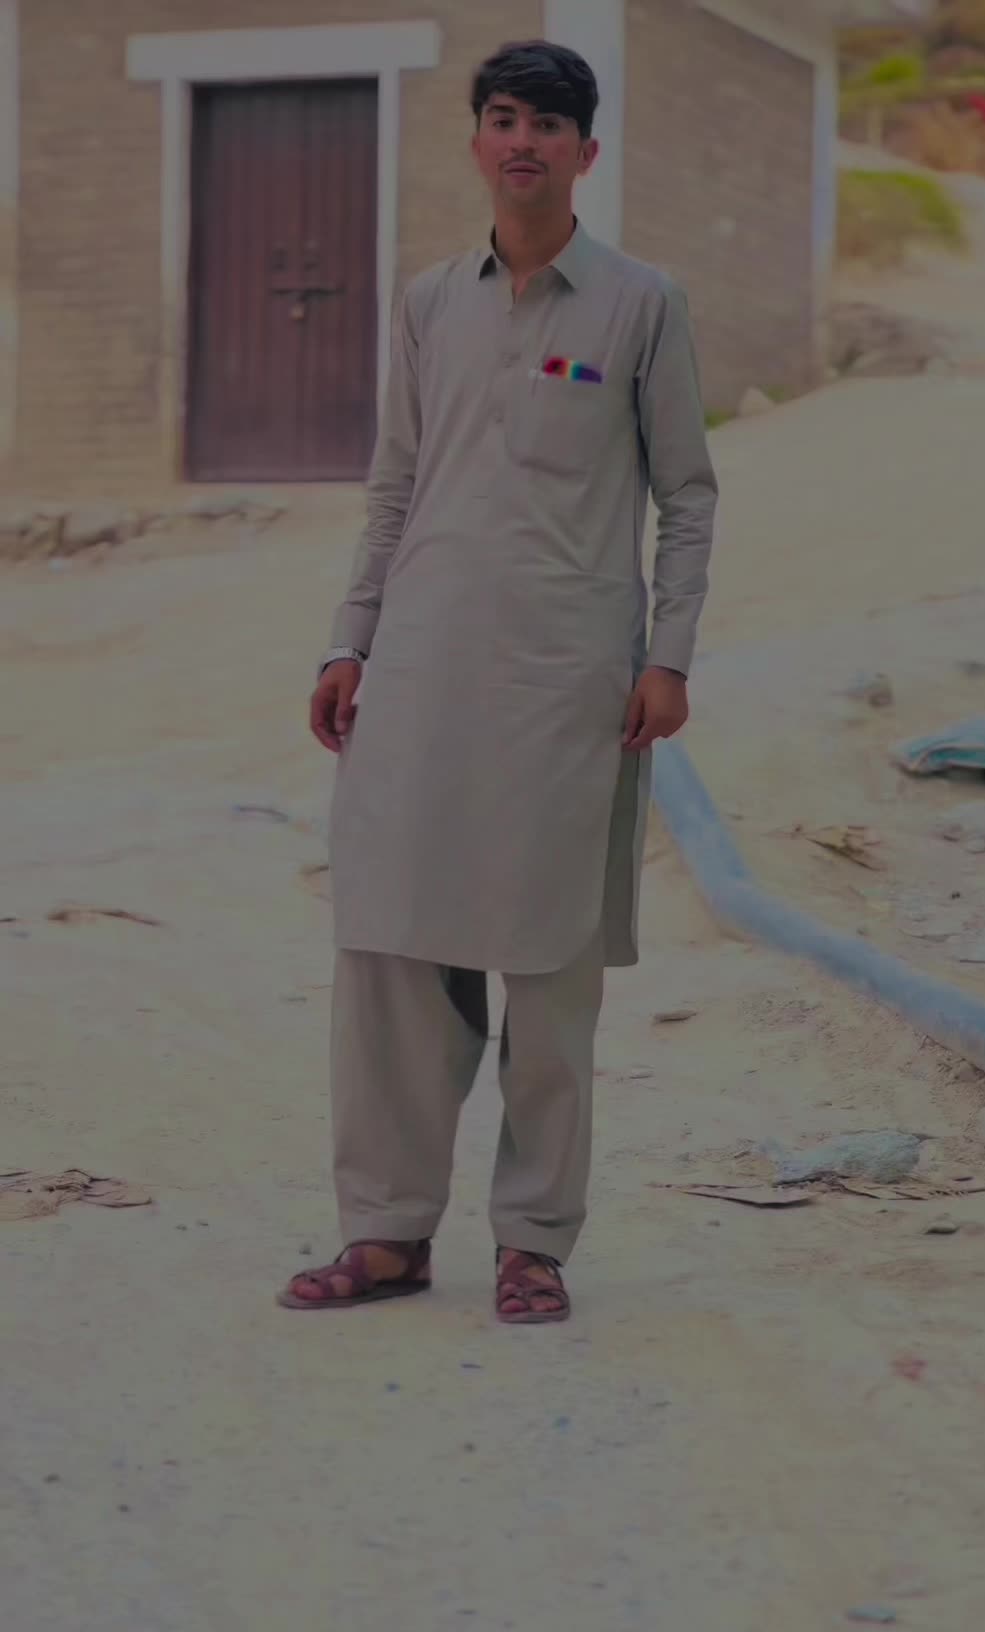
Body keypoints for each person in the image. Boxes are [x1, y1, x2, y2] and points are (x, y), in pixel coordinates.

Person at [278, 40, 717, 1324]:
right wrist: (350, 639)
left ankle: (533, 1242)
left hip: (570, 684)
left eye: (550, 124)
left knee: (550, 962)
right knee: (388, 945)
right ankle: (386, 1232)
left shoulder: (642, 304)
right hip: (420, 671)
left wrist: (669, 656)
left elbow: (688, 495)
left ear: (588, 151)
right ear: (477, 139)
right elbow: (394, 485)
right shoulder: (429, 303)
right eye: (506, 118)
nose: (524, 141)